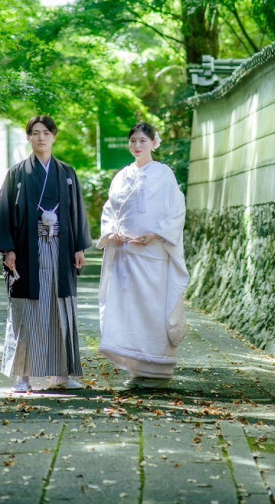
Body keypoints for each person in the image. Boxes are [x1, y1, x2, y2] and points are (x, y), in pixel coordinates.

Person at [0, 114, 93, 393]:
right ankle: (22, 376)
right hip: (27, 251)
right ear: (29, 137)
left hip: (60, 248)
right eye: (35, 132)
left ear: (54, 136)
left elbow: (76, 212)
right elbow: (5, 213)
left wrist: (79, 246)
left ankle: (61, 374)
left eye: (46, 132)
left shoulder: (67, 173)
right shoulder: (17, 173)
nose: (41, 137)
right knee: (26, 311)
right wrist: (9, 249)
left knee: (60, 309)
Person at [97, 122, 189, 384]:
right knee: (129, 310)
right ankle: (136, 368)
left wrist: (157, 233)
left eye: (142, 141)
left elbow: (176, 210)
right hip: (126, 254)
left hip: (152, 255)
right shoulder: (121, 176)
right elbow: (110, 210)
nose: (137, 146)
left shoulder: (164, 174)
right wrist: (112, 232)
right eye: (133, 141)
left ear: (153, 143)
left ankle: (158, 369)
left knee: (152, 308)